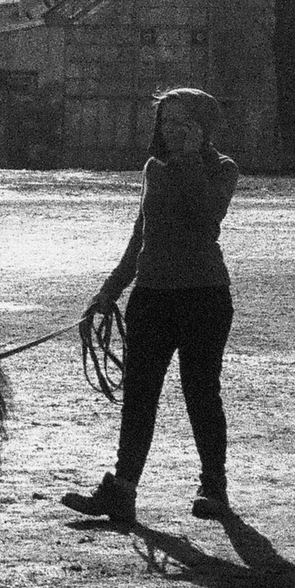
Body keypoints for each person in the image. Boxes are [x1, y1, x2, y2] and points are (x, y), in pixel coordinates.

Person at [61, 86, 240, 528]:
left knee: (201, 393)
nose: (171, 128)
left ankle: (214, 488)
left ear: (202, 125)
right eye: (167, 120)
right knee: (139, 396)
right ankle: (123, 490)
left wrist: (190, 159)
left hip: (204, 296)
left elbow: (206, 216)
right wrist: (110, 290)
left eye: (183, 121)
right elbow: (141, 235)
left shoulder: (222, 169)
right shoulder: (152, 169)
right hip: (152, 296)